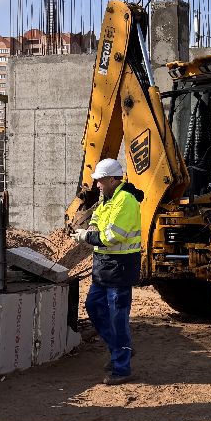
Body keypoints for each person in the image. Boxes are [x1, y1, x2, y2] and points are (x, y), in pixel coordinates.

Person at [82, 157, 143, 385]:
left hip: (120, 268)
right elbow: (97, 217)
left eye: (99, 180)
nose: (97, 185)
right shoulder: (108, 199)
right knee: (94, 307)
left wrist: (87, 236)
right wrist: (92, 227)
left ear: (110, 179)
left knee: (118, 318)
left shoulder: (125, 201)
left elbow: (112, 237)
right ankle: (120, 348)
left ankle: (122, 367)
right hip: (104, 267)